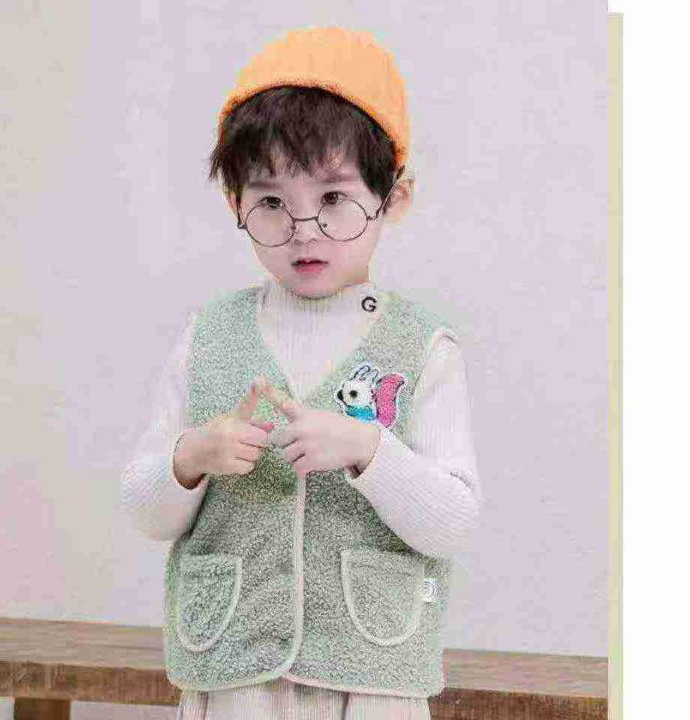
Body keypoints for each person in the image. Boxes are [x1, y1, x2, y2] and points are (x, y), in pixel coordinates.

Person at [119, 25, 483, 720]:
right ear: (236, 204)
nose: (304, 229)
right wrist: (193, 456)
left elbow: (454, 522)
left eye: (334, 198)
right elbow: (144, 509)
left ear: (394, 197)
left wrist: (369, 450)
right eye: (271, 202)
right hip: (233, 675)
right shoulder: (208, 336)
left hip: (371, 679)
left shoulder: (423, 349)